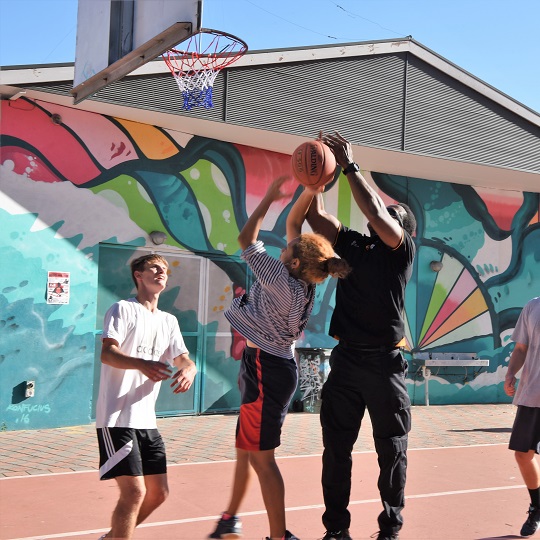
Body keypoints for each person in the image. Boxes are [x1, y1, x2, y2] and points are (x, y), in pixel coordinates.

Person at [209, 176, 351, 540]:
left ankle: (278, 536)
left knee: (262, 458)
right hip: (271, 366)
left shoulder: (279, 278)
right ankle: (230, 517)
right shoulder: (302, 279)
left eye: (288, 250)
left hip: (265, 369)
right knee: (246, 449)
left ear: (293, 261)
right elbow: (293, 226)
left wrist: (269, 197)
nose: (282, 248)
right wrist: (312, 188)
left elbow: (246, 239)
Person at [305, 132, 417, 540]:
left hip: (385, 365)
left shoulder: (400, 252)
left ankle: (390, 528)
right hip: (348, 361)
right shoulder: (353, 245)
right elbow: (318, 221)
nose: (381, 216)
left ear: (402, 228)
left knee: (392, 450)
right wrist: (314, 185)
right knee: (336, 451)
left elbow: (372, 210)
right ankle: (336, 531)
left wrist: (350, 166)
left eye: (391, 215)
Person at [96, 253, 197, 540]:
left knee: (159, 493)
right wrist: (142, 363)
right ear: (138, 275)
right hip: (117, 418)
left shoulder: (168, 321)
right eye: (154, 267)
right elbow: (107, 353)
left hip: (146, 421)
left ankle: (112, 536)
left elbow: (184, 359)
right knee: (134, 492)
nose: (161, 272)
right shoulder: (122, 310)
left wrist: (190, 370)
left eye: (164, 269)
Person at [504, 296, 540, 538]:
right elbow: (520, 348)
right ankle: (537, 507)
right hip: (532, 394)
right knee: (522, 455)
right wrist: (510, 373)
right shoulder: (533, 306)